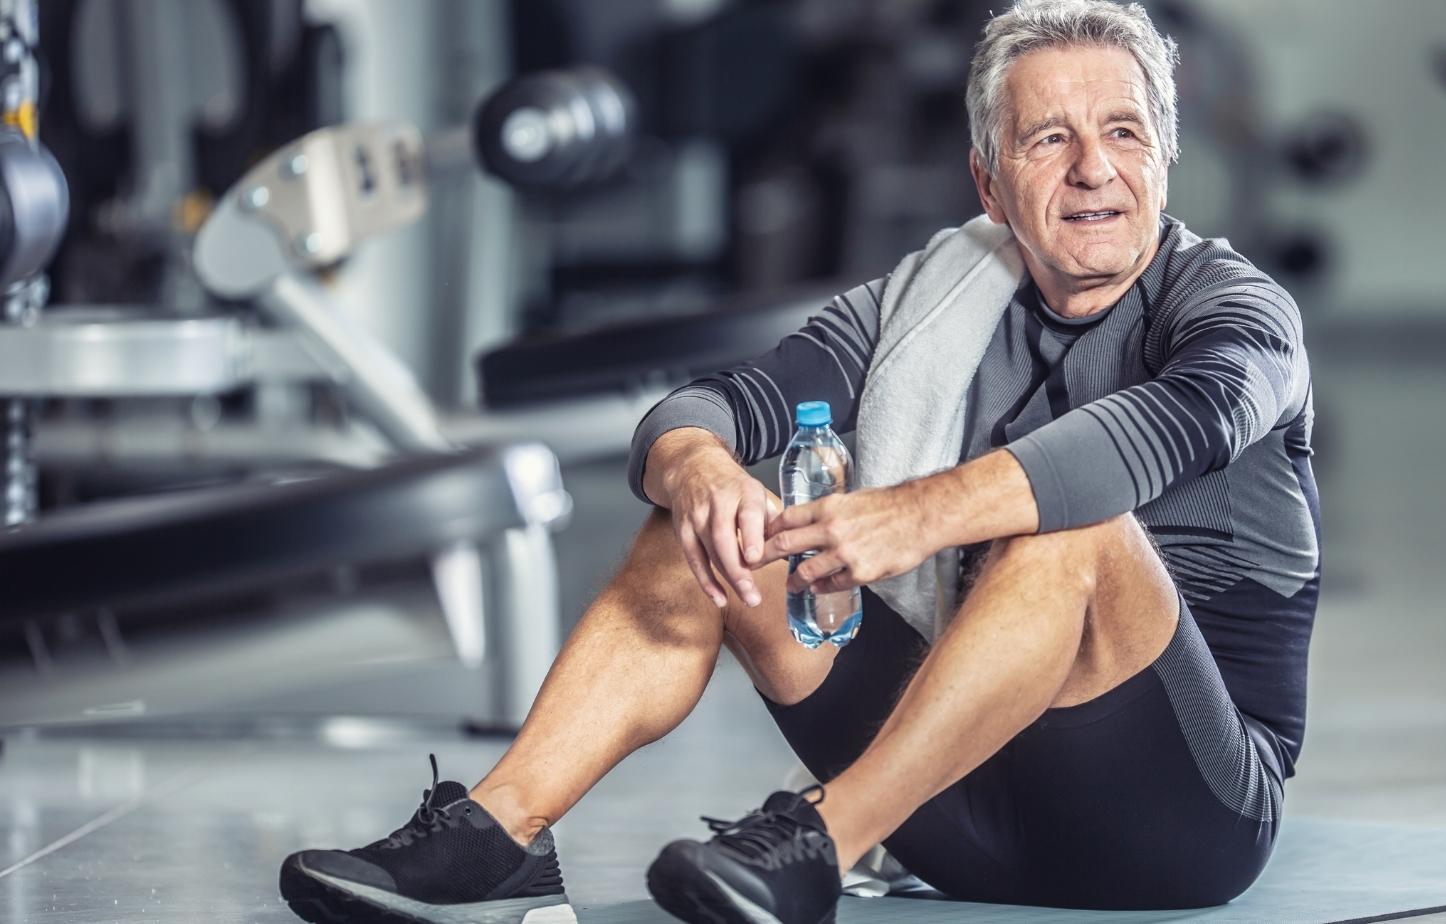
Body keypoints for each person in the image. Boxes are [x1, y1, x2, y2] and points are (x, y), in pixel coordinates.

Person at [277, 1, 1320, 922]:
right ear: (989, 182)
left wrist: (913, 514)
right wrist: (697, 471)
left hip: (1176, 821)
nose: (1092, 168)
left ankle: (819, 840)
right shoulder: (931, 296)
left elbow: (1169, 427)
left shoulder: (1234, 313)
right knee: (708, 519)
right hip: (959, 803)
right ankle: (500, 833)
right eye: (1048, 138)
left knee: (1072, 531)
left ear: (1161, 159)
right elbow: (711, 402)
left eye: (1121, 133)